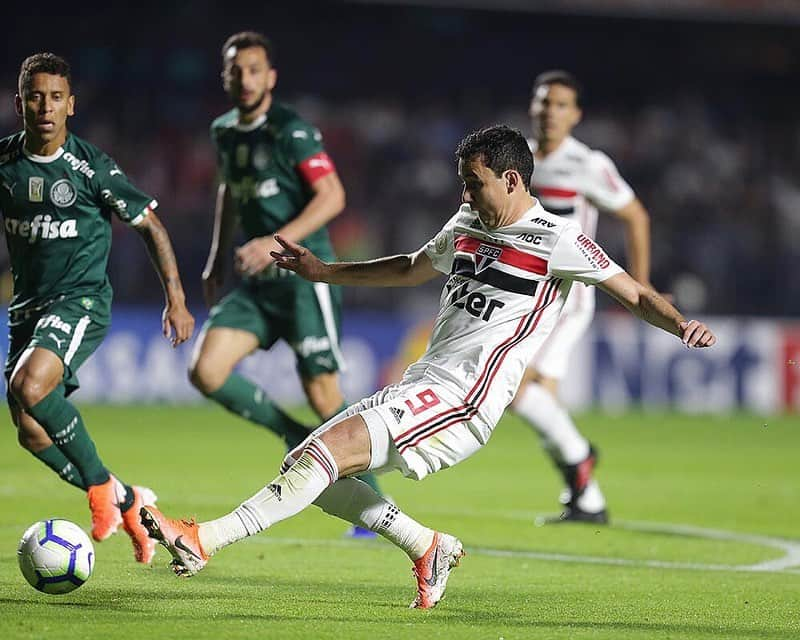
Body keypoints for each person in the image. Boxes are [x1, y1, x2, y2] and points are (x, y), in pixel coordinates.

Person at [140, 125, 715, 608]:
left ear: (512, 180)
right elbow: (410, 266)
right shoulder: (467, 225)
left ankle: (202, 538)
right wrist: (325, 272)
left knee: (324, 455)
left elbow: (633, 294)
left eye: (475, 183)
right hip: (424, 383)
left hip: (467, 398)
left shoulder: (559, 239)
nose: (465, 195)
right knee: (310, 469)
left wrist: (679, 323)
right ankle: (426, 546)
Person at [0, 53, 195, 564]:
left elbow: (151, 225)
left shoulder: (90, 167)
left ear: (72, 106)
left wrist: (175, 297)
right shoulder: (5, 164)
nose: (46, 106)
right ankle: (129, 500)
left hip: (80, 300)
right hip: (27, 307)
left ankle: (99, 490)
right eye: (36, 96)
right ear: (19, 104)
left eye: (56, 97)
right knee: (29, 428)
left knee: (29, 386)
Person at [189, 32, 383, 531]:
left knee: (323, 394)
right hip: (258, 282)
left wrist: (275, 239)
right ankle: (292, 432)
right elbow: (229, 193)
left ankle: (375, 508)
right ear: (225, 77)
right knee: (206, 371)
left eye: (255, 70)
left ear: (271, 77)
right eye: (237, 71)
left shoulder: (292, 130)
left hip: (302, 279)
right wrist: (215, 259)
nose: (246, 79)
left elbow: (332, 196)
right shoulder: (225, 131)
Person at [511, 70, 656, 523]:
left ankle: (580, 459)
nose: (549, 112)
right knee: (541, 401)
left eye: (559, 105)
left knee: (518, 392)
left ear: (575, 115)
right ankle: (587, 498)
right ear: (532, 108)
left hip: (566, 296)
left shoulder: (588, 164)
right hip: (524, 292)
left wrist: (642, 285)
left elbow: (635, 216)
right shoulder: (519, 159)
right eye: (543, 103)